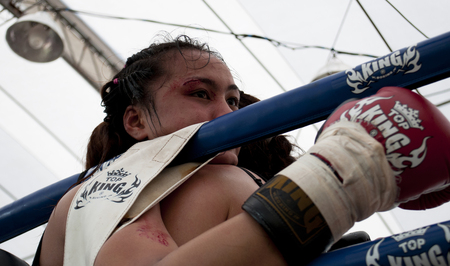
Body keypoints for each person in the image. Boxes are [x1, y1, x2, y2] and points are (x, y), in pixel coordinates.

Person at [35, 34, 450, 266]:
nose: (225, 114)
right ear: (137, 121)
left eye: (233, 101)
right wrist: (340, 182)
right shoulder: (110, 187)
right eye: (199, 94)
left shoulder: (200, 181)